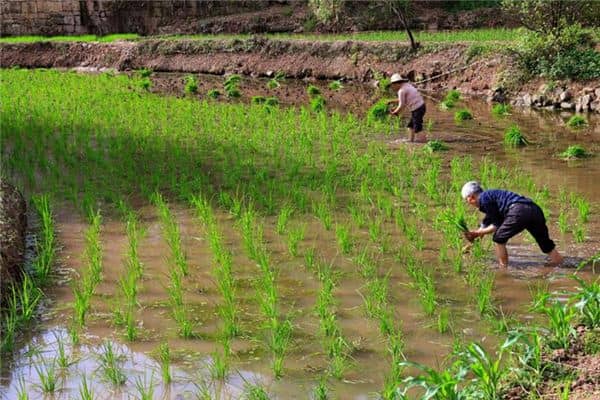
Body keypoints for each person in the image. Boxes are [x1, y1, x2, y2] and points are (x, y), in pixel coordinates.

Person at [461, 181, 564, 268]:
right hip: (534, 209)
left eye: (467, 201)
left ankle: (503, 269)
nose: (470, 204)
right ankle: (561, 264)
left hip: (519, 210)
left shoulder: (484, 199)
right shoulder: (490, 198)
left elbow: (497, 225)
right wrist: (469, 246)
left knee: (498, 238)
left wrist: (476, 233)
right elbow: (483, 228)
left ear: (471, 198)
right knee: (546, 245)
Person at [387, 73, 426, 142]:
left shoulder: (401, 91)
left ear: (397, 84)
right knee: (410, 126)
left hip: (417, 108)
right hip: (421, 106)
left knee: (417, 127)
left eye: (393, 85)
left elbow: (402, 104)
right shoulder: (407, 86)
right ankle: (411, 140)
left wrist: (395, 112)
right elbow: (403, 99)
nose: (393, 87)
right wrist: (392, 101)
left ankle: (423, 141)